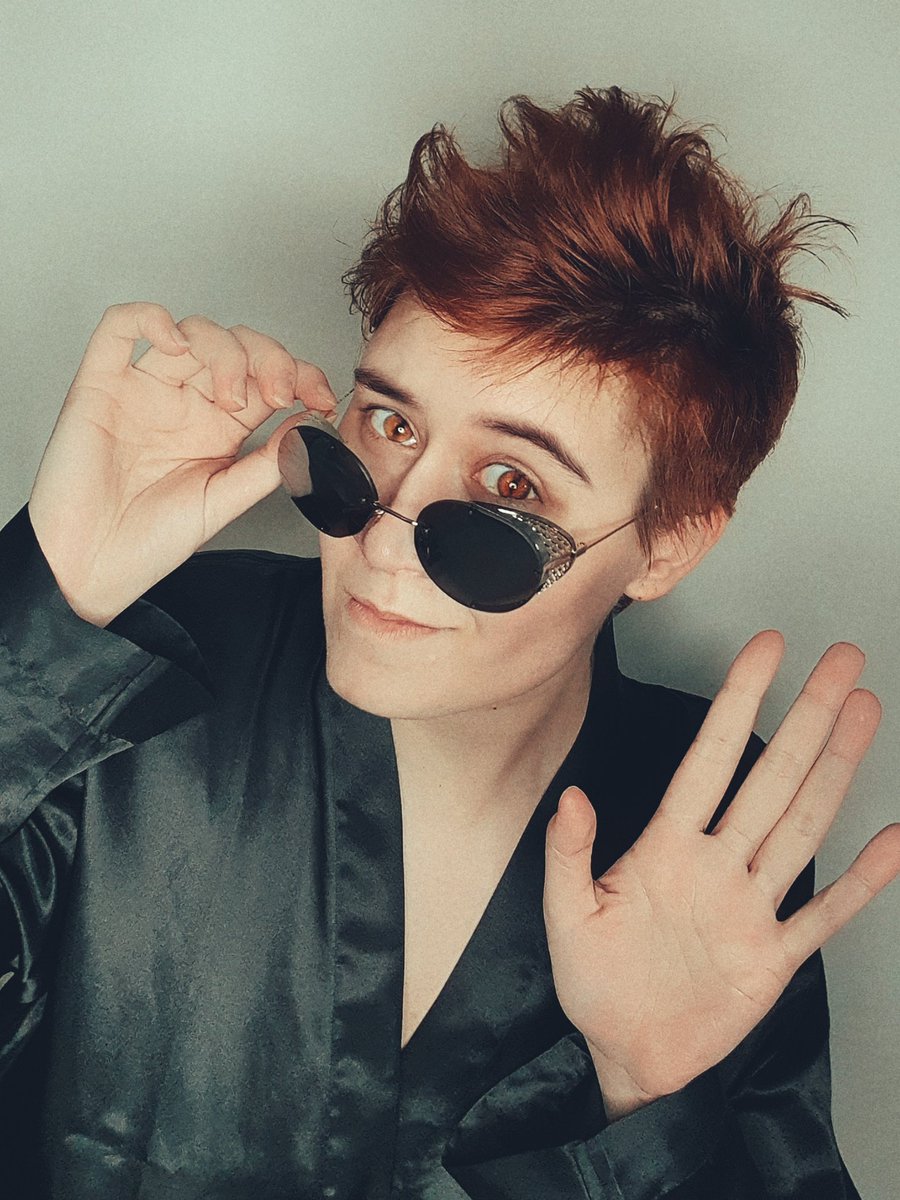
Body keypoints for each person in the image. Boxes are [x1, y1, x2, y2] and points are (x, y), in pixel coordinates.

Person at [1, 85, 897, 1199]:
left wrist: (638, 1096)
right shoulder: (129, 661)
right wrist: (34, 630)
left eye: (509, 485)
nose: (383, 535)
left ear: (666, 545)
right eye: (389, 424)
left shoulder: (714, 837)